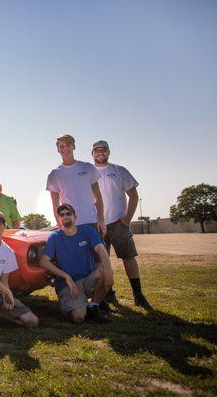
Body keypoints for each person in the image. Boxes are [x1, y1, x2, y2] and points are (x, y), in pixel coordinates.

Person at [92, 140, 152, 309]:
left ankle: (138, 294)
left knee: (128, 257)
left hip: (119, 223)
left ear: (108, 152)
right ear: (93, 154)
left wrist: (126, 219)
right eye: (97, 150)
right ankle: (107, 294)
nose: (100, 153)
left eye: (103, 150)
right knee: (101, 262)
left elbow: (133, 195)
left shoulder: (119, 170)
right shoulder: (88, 172)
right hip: (97, 225)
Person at [39, 204, 114, 324]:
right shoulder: (55, 237)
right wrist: (66, 276)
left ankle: (93, 307)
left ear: (75, 216)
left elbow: (101, 249)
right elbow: (43, 261)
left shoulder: (87, 231)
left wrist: (109, 270)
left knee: (104, 273)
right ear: (59, 219)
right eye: (61, 215)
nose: (65, 216)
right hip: (68, 284)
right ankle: (80, 305)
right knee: (78, 317)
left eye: (68, 213)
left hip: (87, 279)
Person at [46, 134, 106, 237]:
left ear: (73, 146)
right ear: (58, 150)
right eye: (61, 146)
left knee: (100, 253)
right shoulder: (54, 174)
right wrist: (60, 225)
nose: (65, 148)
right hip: (70, 226)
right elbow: (55, 204)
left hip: (92, 223)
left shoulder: (88, 167)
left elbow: (98, 196)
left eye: (68, 144)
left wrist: (101, 219)